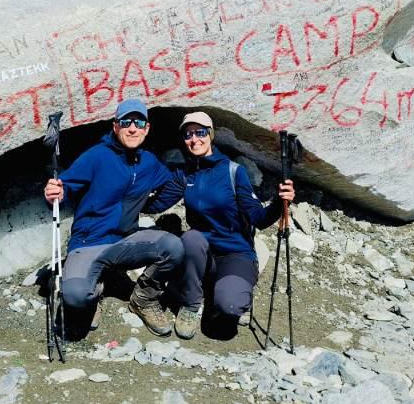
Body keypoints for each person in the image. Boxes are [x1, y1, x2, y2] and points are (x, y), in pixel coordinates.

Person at [148, 111, 295, 339]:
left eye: (200, 132)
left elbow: (259, 218)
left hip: (236, 253)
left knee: (231, 306)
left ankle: (230, 289)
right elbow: (158, 204)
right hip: (203, 254)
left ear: (211, 135)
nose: (194, 139)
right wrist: (127, 193)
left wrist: (279, 202)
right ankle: (190, 304)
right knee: (191, 238)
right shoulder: (185, 174)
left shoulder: (234, 172)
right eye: (188, 135)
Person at [44, 98, 184, 336]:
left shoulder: (149, 162)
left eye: (139, 122)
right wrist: (55, 193)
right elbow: (65, 188)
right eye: (126, 122)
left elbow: (170, 184)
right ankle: (94, 289)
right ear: (115, 126)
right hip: (89, 242)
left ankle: (143, 300)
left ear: (147, 128)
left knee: (173, 247)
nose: (132, 128)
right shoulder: (97, 156)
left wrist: (178, 187)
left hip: (125, 242)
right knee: (76, 298)